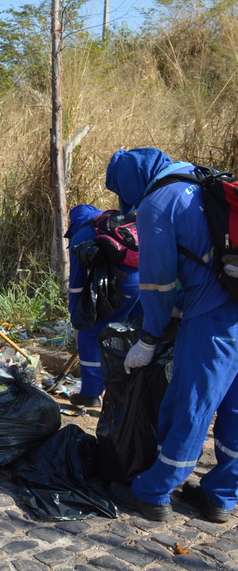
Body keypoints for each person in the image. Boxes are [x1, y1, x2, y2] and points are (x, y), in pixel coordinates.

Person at [104, 147, 238, 524]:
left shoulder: (157, 202)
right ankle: (221, 496)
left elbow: (158, 283)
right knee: (235, 407)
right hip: (235, 300)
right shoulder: (202, 180)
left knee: (191, 402)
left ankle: (154, 491)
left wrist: (149, 337)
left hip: (214, 319)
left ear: (131, 182)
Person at [65, 204, 141, 408]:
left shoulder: (82, 234)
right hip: (150, 281)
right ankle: (139, 390)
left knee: (90, 333)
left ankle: (92, 393)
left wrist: (77, 318)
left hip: (122, 283)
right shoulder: (119, 221)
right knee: (140, 333)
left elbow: (77, 283)